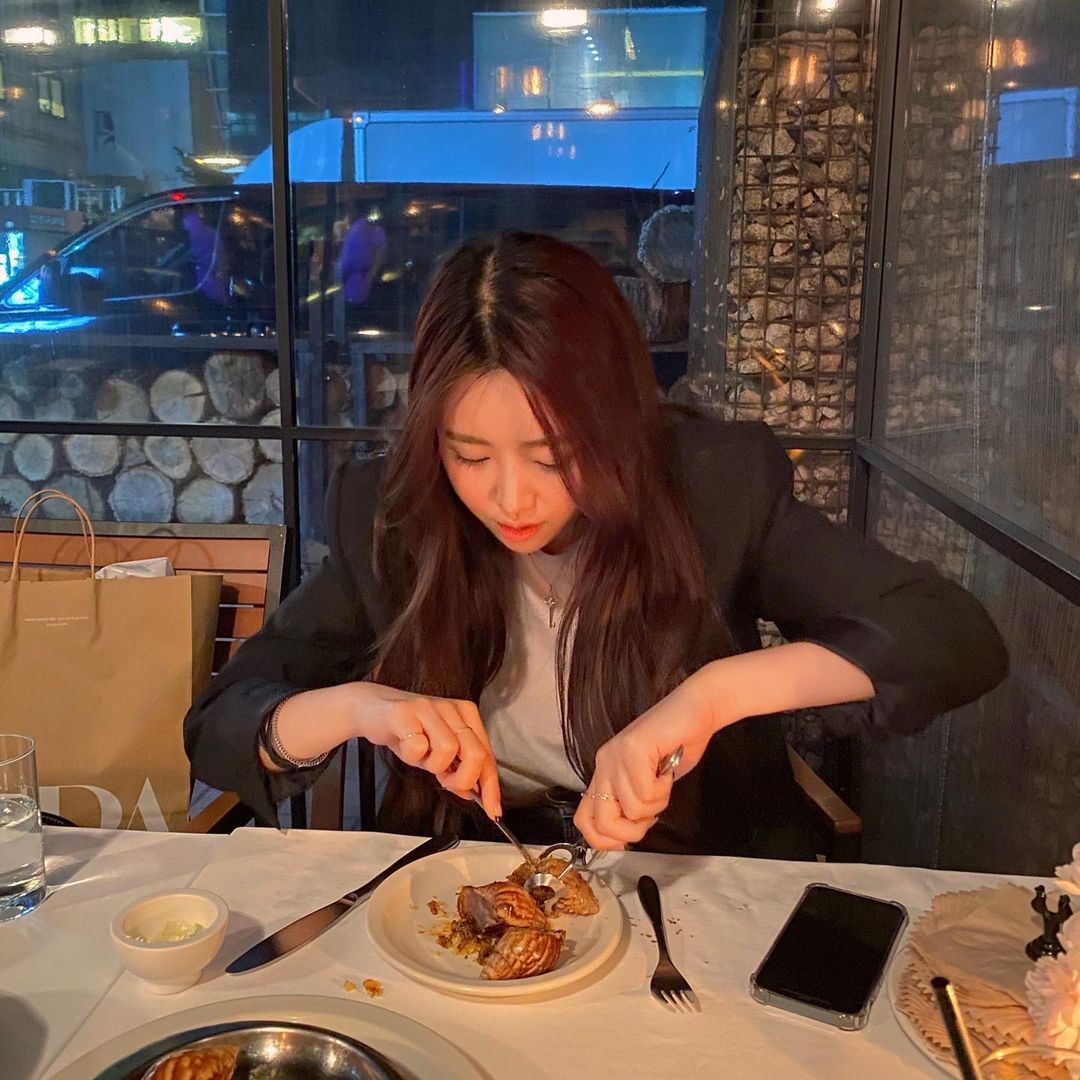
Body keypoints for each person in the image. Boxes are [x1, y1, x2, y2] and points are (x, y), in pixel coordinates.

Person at [184, 232, 1008, 857]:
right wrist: (361, 706)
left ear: (612, 422)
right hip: (471, 880)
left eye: (553, 456)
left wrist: (712, 696)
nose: (509, 499)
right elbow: (220, 724)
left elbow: (951, 634)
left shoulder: (712, 488)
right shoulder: (393, 514)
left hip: (690, 879)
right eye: (470, 456)